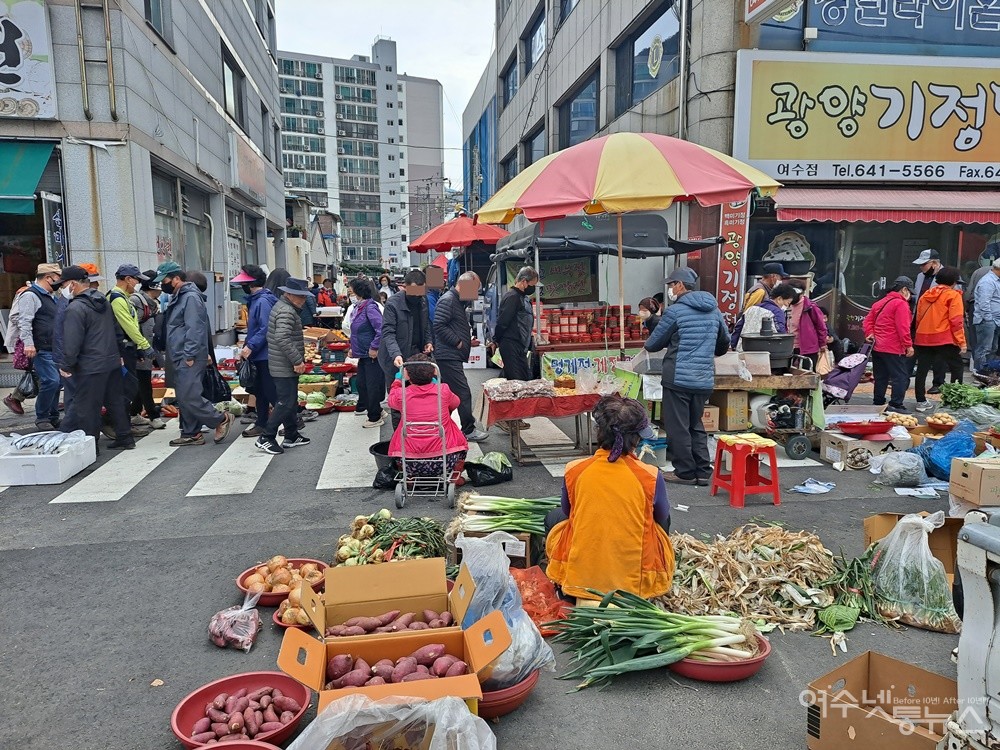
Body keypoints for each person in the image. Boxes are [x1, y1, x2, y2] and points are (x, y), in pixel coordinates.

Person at [545, 395, 675, 601]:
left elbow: (568, 511)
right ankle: (647, 582)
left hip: (581, 578)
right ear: (636, 439)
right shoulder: (650, 475)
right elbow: (662, 516)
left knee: (554, 518)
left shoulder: (575, 470)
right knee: (662, 520)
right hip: (632, 584)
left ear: (599, 432)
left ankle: (565, 584)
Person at [644, 267, 730, 486]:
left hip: (678, 378)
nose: (670, 289)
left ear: (680, 285)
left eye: (672, 285)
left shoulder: (676, 311)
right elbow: (724, 343)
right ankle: (703, 470)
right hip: (703, 378)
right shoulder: (714, 310)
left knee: (678, 426)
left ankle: (685, 472)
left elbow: (653, 344)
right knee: (696, 424)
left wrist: (652, 323)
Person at [57, 266, 133, 450]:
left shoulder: (75, 308)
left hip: (90, 364)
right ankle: (125, 437)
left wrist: (66, 365)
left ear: (73, 284)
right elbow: (116, 331)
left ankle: (91, 447)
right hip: (111, 361)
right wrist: (119, 355)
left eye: (64, 284)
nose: (62, 289)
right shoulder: (103, 301)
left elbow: (72, 341)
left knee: (87, 408)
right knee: (115, 401)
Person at [158, 265, 235, 447]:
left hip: (188, 354)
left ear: (176, 278)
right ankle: (191, 432)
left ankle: (220, 419)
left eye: (164, 280)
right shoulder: (182, 296)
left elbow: (195, 328)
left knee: (189, 395)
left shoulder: (190, 297)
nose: (162, 284)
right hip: (181, 353)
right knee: (185, 396)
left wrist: (190, 354)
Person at [387, 353, 469, 480]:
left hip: (409, 461)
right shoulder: (444, 390)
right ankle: (454, 476)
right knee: (459, 434)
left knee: (399, 433)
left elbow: (391, 402)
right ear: (435, 372)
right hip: (445, 459)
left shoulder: (400, 394)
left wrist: (397, 381)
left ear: (407, 375)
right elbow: (455, 403)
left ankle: (410, 478)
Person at [256, 278, 312, 455]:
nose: (303, 300)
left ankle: (291, 434)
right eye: (300, 296)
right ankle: (267, 436)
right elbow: (282, 337)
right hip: (284, 363)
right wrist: (297, 360)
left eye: (304, 296)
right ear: (288, 294)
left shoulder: (283, 307)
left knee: (290, 400)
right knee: (285, 402)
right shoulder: (287, 311)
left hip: (281, 362)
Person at [434, 272, 489, 442]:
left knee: (449, 394)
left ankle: (442, 428)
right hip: (447, 355)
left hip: (450, 354)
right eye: (475, 289)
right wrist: (458, 342)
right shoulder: (449, 300)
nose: (475, 293)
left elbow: (451, 325)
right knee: (463, 392)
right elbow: (439, 325)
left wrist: (466, 342)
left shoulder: (456, 301)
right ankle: (468, 429)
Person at [377, 269, 433, 429]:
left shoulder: (423, 300)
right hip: (394, 359)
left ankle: (416, 434)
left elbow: (427, 324)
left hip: (416, 356)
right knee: (398, 401)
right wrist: (395, 354)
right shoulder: (393, 303)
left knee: (418, 397)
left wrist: (428, 341)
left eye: (420, 292)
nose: (416, 296)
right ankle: (399, 440)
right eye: (413, 292)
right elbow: (388, 332)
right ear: (405, 287)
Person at [13, 263, 63, 429]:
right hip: (40, 349)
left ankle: (52, 416)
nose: (59, 283)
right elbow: (24, 321)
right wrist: (29, 344)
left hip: (54, 348)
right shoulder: (31, 295)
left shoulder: (52, 297)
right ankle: (42, 417)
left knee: (57, 383)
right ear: (48, 277)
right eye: (57, 279)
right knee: (51, 381)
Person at [108, 264, 155, 436]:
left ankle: (122, 424)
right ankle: (117, 425)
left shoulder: (124, 297)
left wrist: (139, 348)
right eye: (136, 280)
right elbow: (128, 325)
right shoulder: (117, 298)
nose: (137, 284)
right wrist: (144, 345)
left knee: (129, 387)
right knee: (126, 389)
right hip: (121, 350)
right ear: (127, 279)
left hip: (128, 348)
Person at [232, 264, 277, 438]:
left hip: (264, 354)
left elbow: (265, 328)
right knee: (261, 391)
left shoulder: (262, 301)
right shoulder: (258, 299)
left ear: (250, 284)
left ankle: (291, 421)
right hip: (259, 354)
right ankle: (263, 423)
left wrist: (251, 346)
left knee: (268, 391)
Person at [913, 266, 966, 412]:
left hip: (923, 337)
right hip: (944, 338)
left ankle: (921, 401)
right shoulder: (954, 295)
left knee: (922, 370)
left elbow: (918, 317)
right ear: (954, 282)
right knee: (957, 367)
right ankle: (953, 400)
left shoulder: (926, 295)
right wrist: (961, 342)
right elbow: (956, 321)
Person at [863, 276, 914, 414]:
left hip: (877, 346)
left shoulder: (880, 302)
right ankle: (896, 404)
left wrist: (870, 333)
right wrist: (908, 345)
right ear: (904, 289)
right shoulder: (900, 304)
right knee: (900, 376)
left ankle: (878, 402)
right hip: (893, 347)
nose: (910, 295)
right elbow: (903, 327)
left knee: (881, 376)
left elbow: (867, 322)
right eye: (910, 291)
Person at [129, 270, 166, 429]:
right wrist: (139, 348)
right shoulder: (136, 300)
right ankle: (153, 415)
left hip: (149, 347)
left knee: (142, 380)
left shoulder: (151, 303)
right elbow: (132, 326)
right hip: (140, 348)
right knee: (144, 381)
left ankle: (134, 412)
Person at [348, 277, 387, 428]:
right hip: (363, 354)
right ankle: (377, 409)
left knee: (371, 385)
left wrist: (374, 347)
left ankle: (375, 417)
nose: (349, 295)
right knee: (362, 384)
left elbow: (381, 329)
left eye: (351, 292)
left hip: (371, 354)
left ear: (359, 292)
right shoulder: (359, 308)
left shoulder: (370, 308)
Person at [494, 266, 539, 383]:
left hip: (519, 345)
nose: (533, 288)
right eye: (532, 285)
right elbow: (502, 322)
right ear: (524, 282)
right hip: (511, 344)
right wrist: (496, 340)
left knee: (522, 377)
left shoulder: (522, 297)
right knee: (517, 381)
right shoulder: (513, 297)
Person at [729, 283, 797, 350]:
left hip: (743, 350)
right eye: (787, 303)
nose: (787, 307)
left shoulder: (751, 308)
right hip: (765, 353)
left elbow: (738, 327)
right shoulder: (777, 312)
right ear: (779, 299)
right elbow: (781, 333)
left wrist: (734, 345)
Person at [787, 279, 829, 369]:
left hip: (808, 348)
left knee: (807, 373)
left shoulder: (810, 307)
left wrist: (822, 343)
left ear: (801, 294)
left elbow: (821, 327)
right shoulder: (785, 305)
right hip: (789, 346)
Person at [972, 259, 1000, 373]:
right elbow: (984, 303)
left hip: (995, 320)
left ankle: (988, 373)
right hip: (987, 321)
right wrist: (989, 320)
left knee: (993, 348)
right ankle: (980, 373)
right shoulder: (988, 282)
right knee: (984, 349)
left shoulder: (996, 281)